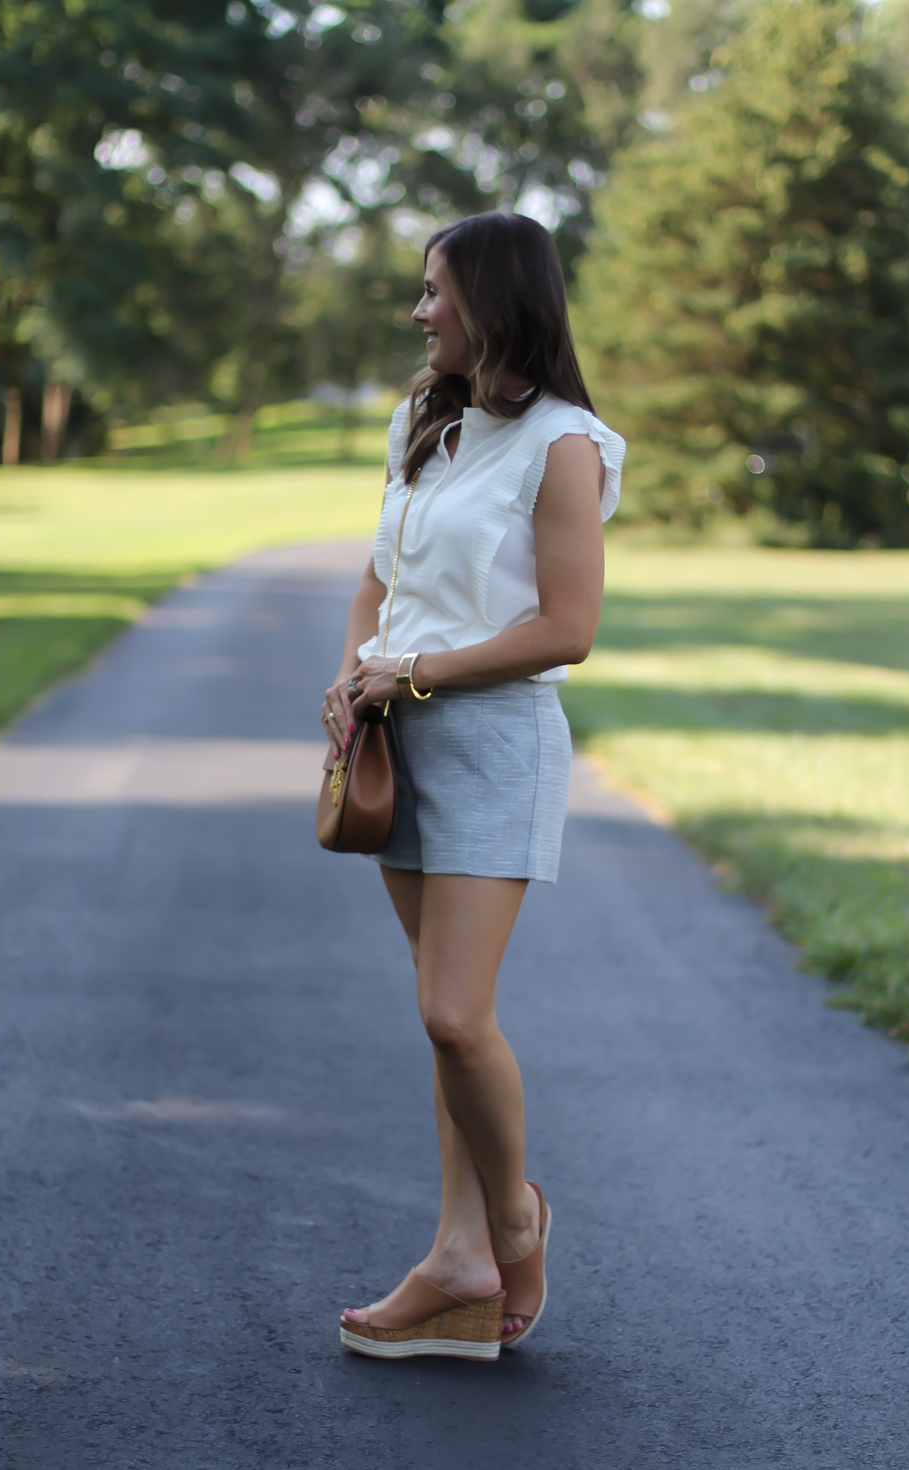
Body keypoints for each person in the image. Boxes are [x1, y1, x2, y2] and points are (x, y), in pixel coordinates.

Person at [322, 211, 624, 1361]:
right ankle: (454, 1265)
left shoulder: (565, 444)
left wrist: (413, 670)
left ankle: (510, 1223)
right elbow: (375, 579)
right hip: (403, 745)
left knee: (456, 1013)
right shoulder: (422, 422)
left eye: (434, 291)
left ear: (494, 300)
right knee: (440, 1019)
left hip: (495, 743)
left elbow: (568, 629)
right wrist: (356, 673)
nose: (418, 312)